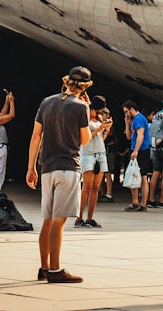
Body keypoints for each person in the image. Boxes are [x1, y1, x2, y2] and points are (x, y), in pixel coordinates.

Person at [26, 66, 92, 283]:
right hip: (68, 167)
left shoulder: (47, 102)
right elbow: (85, 140)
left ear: (67, 82)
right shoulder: (81, 107)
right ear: (84, 87)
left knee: (47, 219)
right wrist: (87, 112)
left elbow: (36, 136)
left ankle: (44, 267)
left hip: (47, 168)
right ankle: (55, 270)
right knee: (58, 220)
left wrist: (31, 167)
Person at [77, 95, 111, 228]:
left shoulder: (99, 118)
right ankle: (79, 217)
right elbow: (85, 138)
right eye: (97, 110)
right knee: (87, 187)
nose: (99, 112)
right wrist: (100, 128)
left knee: (96, 188)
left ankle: (90, 217)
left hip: (100, 152)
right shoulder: (85, 119)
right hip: (88, 153)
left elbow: (101, 138)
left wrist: (106, 129)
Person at [122, 100, 152, 211]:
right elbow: (129, 137)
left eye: (126, 111)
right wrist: (127, 122)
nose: (125, 114)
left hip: (140, 150)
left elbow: (140, 135)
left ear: (131, 109)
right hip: (138, 149)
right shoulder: (135, 120)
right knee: (137, 175)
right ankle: (138, 202)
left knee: (140, 175)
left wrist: (135, 151)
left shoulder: (139, 119)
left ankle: (140, 202)